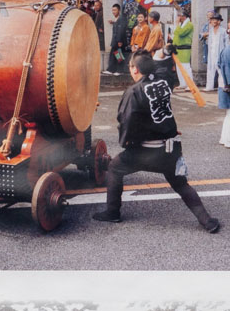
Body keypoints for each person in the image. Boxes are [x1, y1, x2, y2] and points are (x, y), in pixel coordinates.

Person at [92, 52, 220, 232]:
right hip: (171, 148)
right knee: (180, 184)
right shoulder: (164, 82)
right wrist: (164, 53)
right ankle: (207, 221)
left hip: (148, 152)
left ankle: (113, 213)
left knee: (114, 168)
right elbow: (163, 69)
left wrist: (128, 143)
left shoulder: (133, 92)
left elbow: (127, 122)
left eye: (131, 66)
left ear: (135, 69)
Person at [204, 12, 228, 90]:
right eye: (213, 19)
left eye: (216, 20)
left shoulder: (223, 31)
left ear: (219, 21)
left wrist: (225, 54)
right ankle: (209, 86)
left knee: (220, 70)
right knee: (210, 69)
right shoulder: (210, 31)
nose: (214, 21)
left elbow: (227, 43)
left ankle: (221, 86)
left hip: (220, 53)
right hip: (211, 53)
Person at [106, 4, 128, 73]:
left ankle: (120, 70)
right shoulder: (117, 19)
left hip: (119, 41)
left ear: (119, 10)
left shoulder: (121, 18)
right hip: (115, 41)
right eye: (112, 10)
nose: (113, 12)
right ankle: (111, 69)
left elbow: (121, 30)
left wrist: (119, 41)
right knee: (114, 55)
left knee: (119, 55)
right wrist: (113, 22)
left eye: (115, 10)